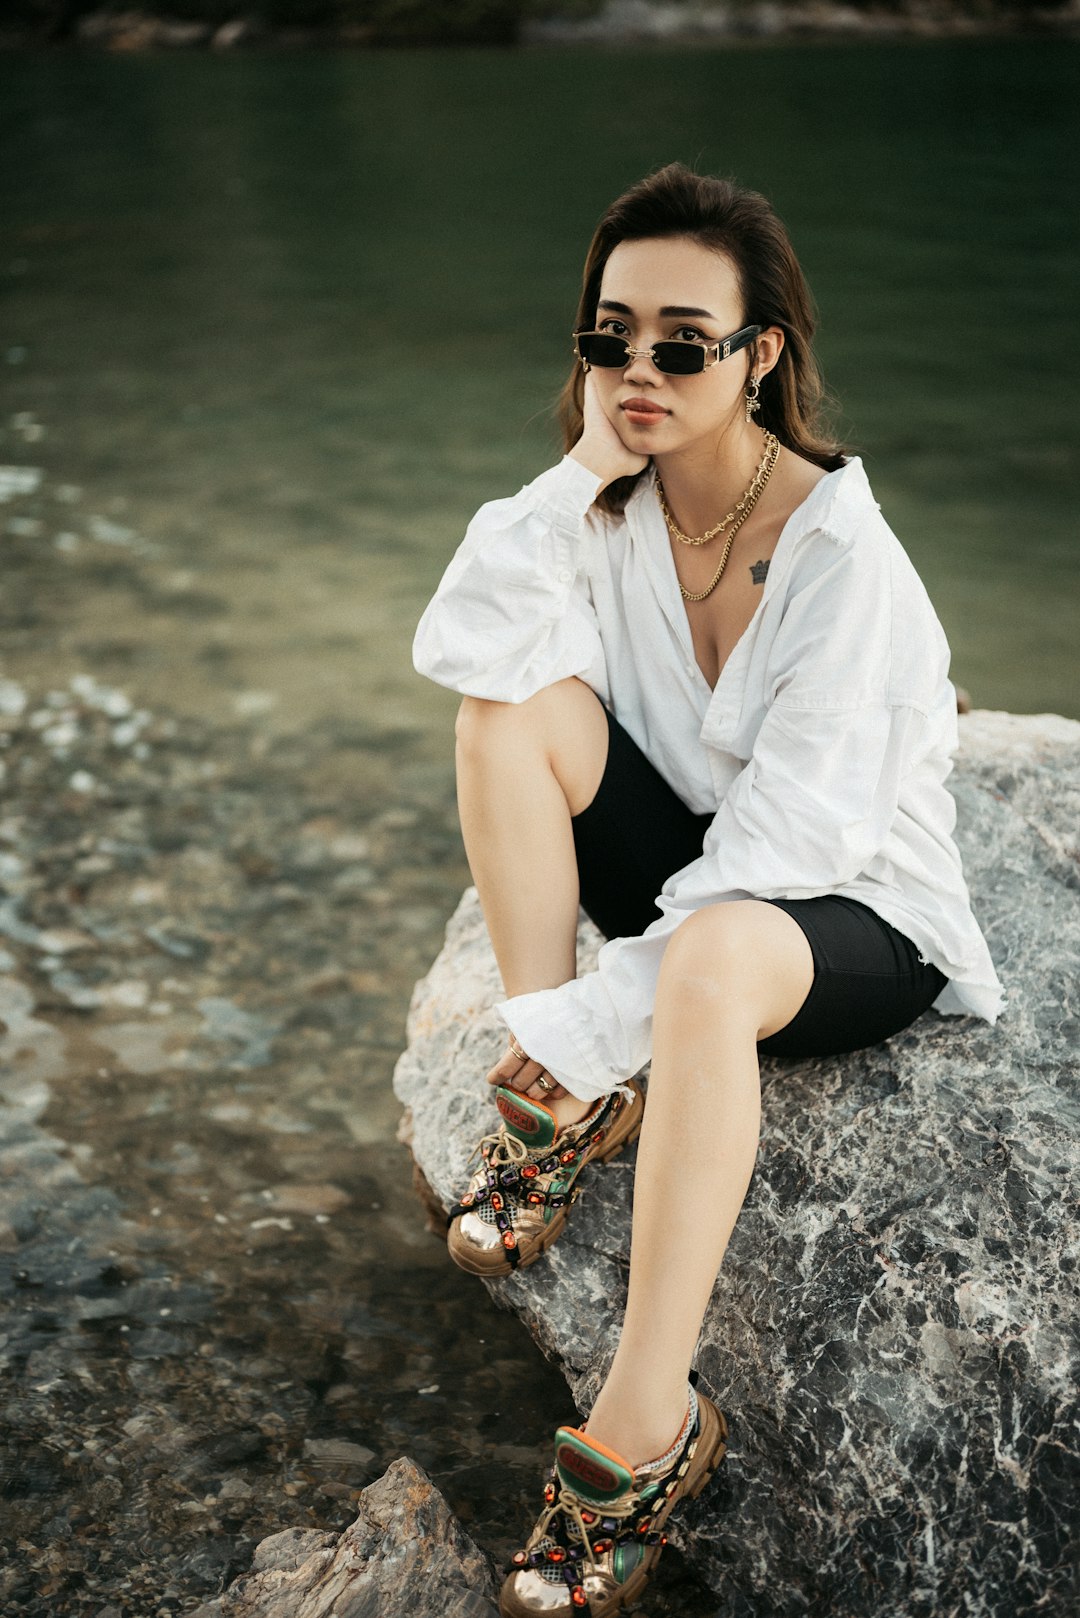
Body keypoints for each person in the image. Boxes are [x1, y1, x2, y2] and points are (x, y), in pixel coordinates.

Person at [412, 162, 1004, 1618]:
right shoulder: (611, 509)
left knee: (714, 953)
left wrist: (598, 1013)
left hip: (849, 916)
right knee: (508, 713)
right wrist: (575, 478)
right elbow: (462, 643)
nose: (638, 368)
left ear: (763, 355)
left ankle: (645, 1421)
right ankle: (571, 1097)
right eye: (609, 336)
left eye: (684, 342)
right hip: (701, 871)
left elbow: (787, 850)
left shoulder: (843, 558)